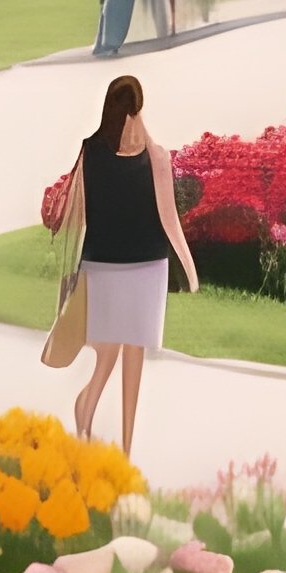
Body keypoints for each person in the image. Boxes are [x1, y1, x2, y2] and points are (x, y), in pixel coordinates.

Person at [46, 76, 198, 455]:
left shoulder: (106, 153)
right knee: (117, 353)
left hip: (132, 267)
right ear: (135, 110)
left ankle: (124, 447)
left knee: (128, 354)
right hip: (120, 269)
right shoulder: (151, 157)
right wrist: (191, 271)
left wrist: (189, 269)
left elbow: (82, 215)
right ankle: (93, 414)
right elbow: (169, 220)